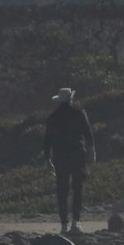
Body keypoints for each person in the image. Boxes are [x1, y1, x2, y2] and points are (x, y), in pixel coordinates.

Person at [43, 87, 96, 232]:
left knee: (62, 190)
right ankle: (76, 222)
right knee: (77, 188)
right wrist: (92, 150)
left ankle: (64, 224)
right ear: (71, 99)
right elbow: (88, 133)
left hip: (60, 156)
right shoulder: (79, 113)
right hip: (78, 154)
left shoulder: (53, 117)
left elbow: (47, 140)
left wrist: (47, 159)